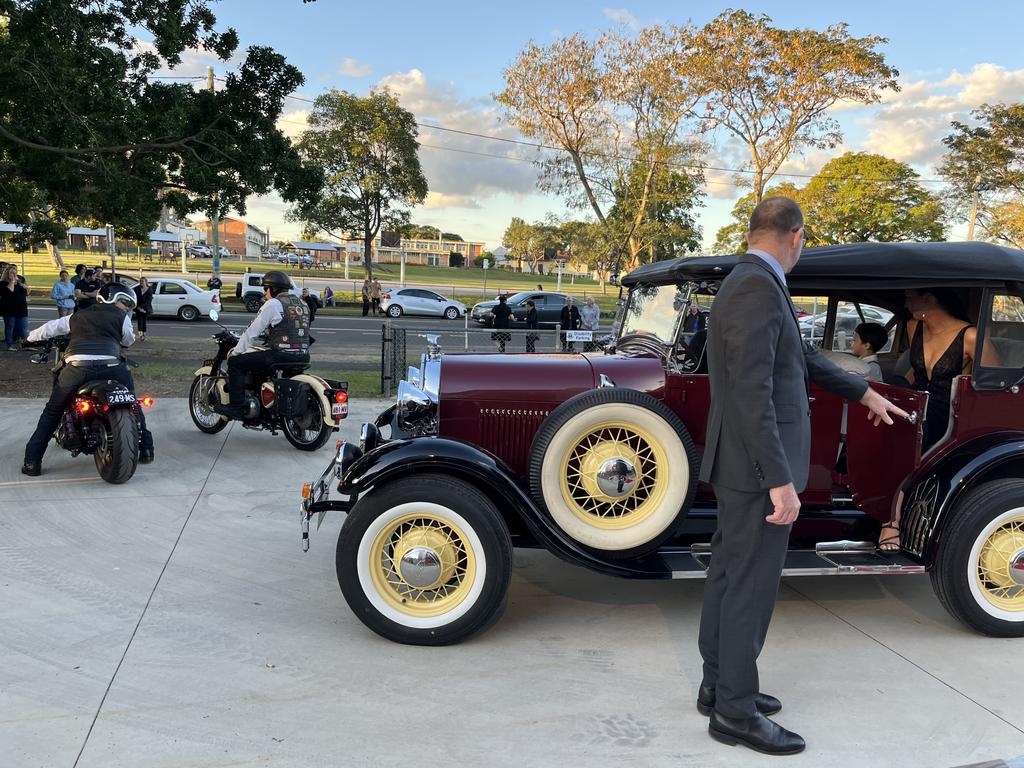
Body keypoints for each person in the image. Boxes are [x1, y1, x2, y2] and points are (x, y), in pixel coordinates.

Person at [697, 197, 906, 755]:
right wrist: (779, 479)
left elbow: (801, 360)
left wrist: (864, 392)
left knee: (728, 575)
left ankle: (720, 686)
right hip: (756, 468)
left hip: (742, 464)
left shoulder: (754, 283)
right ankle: (734, 714)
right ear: (796, 235)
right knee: (748, 586)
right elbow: (750, 394)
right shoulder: (756, 288)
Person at [876, 288, 999, 550]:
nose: (906, 302)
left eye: (910, 297)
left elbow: (992, 386)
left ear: (929, 299)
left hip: (950, 415)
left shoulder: (971, 336)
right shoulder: (913, 327)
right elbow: (916, 372)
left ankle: (891, 522)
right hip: (918, 405)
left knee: (904, 439)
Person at [22, 282, 154, 476]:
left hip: (78, 368)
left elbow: (51, 328)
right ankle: (146, 448)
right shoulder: (122, 318)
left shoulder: (77, 315)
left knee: (53, 410)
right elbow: (128, 340)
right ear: (110, 298)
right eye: (124, 302)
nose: (126, 307)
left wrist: (29, 339)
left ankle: (32, 461)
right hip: (112, 366)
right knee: (132, 403)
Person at [213, 270, 310, 420]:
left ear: (273, 289)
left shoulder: (273, 304)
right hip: (303, 356)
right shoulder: (302, 303)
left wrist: (236, 351)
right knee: (259, 363)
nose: (264, 293)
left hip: (281, 356)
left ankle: (236, 407)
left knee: (236, 363)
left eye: (265, 289)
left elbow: (252, 331)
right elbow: (293, 328)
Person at [1, 264, 29, 350]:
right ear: (7, 274)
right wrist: (12, 281)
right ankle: (10, 345)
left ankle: (26, 345)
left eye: (15, 273)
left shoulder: (19, 283)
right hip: (9, 310)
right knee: (10, 328)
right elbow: (10, 291)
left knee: (23, 328)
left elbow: (27, 293)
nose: (14, 275)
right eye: (12, 273)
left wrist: (25, 286)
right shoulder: (3, 284)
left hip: (21, 309)